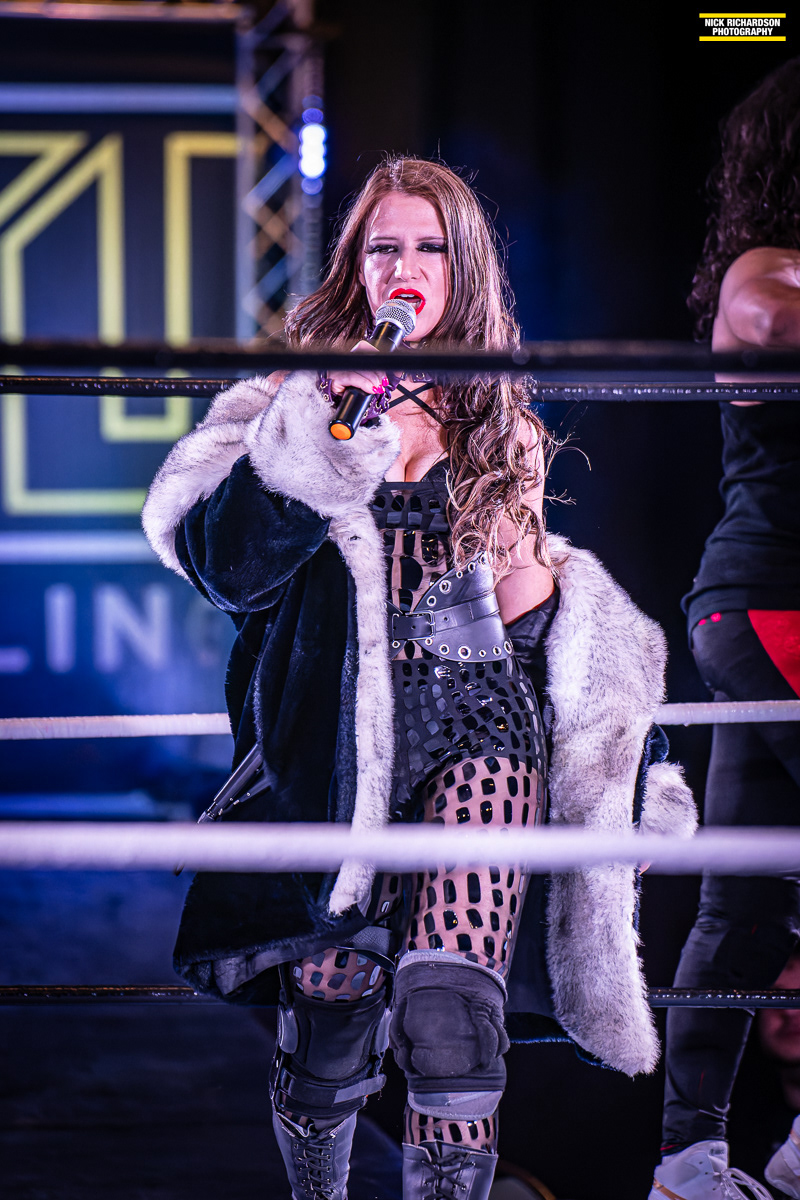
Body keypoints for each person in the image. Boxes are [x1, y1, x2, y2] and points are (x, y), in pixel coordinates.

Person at [142, 157, 694, 1200]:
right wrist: (322, 430)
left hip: (480, 720)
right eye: (383, 245)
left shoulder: (498, 418)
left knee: (452, 1020)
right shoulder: (283, 402)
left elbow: (534, 617)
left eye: (429, 247)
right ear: (355, 265)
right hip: (332, 739)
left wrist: (626, 750)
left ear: (460, 269)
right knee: (332, 1010)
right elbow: (227, 570)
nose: (405, 266)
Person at [649, 60, 800, 1200]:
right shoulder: (765, 269)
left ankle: (688, 1164)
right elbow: (768, 321)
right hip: (767, 606)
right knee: (741, 898)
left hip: (766, 610)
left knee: (744, 900)